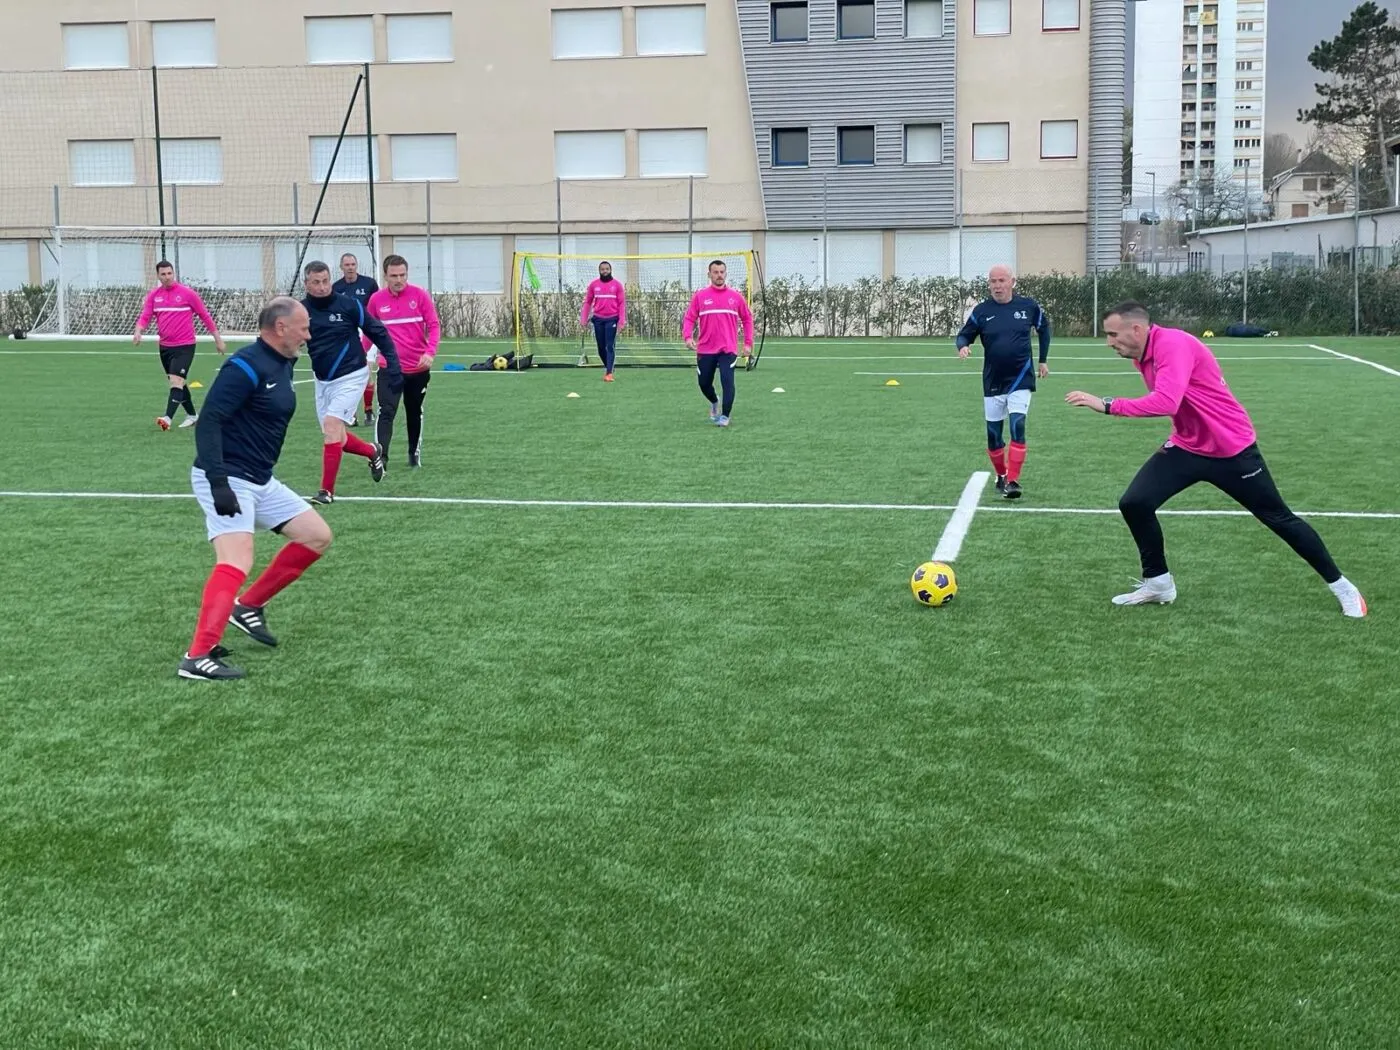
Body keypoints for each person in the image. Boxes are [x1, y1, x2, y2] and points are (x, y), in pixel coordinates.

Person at [1066, 301, 1367, 617]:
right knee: (1135, 502)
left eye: (1113, 334)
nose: (1109, 342)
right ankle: (1158, 583)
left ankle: (1344, 587)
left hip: (1231, 450)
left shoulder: (1172, 344)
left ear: (1137, 329)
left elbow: (1166, 402)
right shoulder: (1142, 356)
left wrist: (1107, 404)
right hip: (1186, 447)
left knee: (1278, 518)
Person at [179, 298, 334, 681]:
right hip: (229, 477)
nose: (308, 335)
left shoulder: (281, 362)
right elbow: (210, 421)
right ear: (280, 328)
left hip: (260, 478)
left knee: (316, 536)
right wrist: (218, 484)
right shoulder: (244, 366)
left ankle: (248, 606)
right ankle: (197, 657)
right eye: (303, 328)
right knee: (236, 560)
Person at [300, 260, 404, 504]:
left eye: (325, 281)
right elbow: (292, 345)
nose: (323, 286)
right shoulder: (300, 311)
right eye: (316, 282)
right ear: (307, 284)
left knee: (332, 424)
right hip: (322, 380)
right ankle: (372, 451)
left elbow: (377, 331)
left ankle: (326, 492)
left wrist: (393, 361)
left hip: (352, 375)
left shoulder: (348, 305)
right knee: (336, 436)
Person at [955, 264, 1051, 500]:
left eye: (1001, 281)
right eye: (993, 281)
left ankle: (1013, 480)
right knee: (993, 435)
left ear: (1012, 282)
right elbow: (964, 333)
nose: (997, 286)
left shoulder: (1028, 307)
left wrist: (1043, 360)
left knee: (1018, 425)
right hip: (993, 379)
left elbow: (1044, 329)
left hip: (1021, 376)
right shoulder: (982, 311)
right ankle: (1001, 474)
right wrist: (963, 345)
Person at [364, 255, 439, 467]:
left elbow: (434, 326)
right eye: (394, 275)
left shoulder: (420, 296)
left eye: (402, 275)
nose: (399, 279)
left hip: (418, 368)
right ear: (385, 276)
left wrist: (430, 353)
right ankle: (381, 458)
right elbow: (370, 331)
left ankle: (413, 454)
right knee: (386, 411)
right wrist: (361, 354)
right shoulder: (376, 300)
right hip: (390, 368)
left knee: (414, 411)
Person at [133, 261, 227, 431]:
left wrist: (218, 340)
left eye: (170, 273)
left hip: (185, 346)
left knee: (176, 381)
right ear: (158, 276)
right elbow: (145, 316)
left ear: (173, 273)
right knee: (179, 383)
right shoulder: (154, 296)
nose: (167, 277)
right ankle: (193, 416)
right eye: (163, 274)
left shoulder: (187, 294)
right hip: (165, 347)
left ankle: (167, 418)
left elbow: (205, 316)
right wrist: (138, 330)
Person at [682, 260, 754, 427]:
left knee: (727, 381)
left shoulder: (735, 297)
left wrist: (748, 343)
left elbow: (747, 319)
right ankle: (715, 401)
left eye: (722, 272)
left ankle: (725, 415)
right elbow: (689, 318)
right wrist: (687, 337)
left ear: (726, 274)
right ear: (709, 275)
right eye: (715, 272)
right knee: (704, 383)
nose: (719, 275)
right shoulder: (700, 296)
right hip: (705, 349)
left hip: (728, 349)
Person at [333, 252, 380, 427]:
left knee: (366, 371)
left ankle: (368, 410)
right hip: (346, 334)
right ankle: (350, 414)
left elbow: (378, 306)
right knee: (348, 374)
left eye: (353, 264)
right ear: (341, 267)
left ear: (356, 265)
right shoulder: (336, 288)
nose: (350, 267)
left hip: (367, 332)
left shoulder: (369, 284)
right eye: (347, 265)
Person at [580, 260, 626, 381]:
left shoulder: (617, 285)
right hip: (598, 320)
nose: (605, 271)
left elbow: (622, 304)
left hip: (612, 319)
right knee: (601, 348)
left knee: (609, 346)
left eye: (607, 269)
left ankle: (609, 373)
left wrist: (622, 321)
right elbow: (588, 302)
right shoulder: (594, 285)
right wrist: (583, 320)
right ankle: (609, 366)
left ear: (610, 270)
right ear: (599, 271)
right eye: (602, 269)